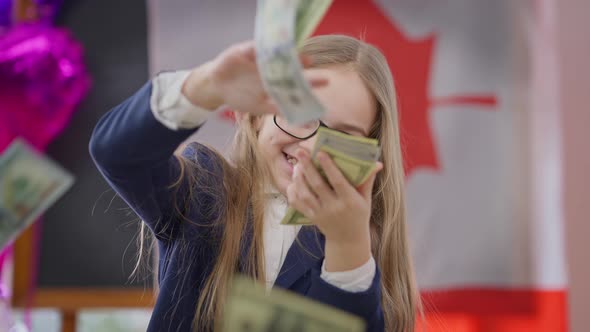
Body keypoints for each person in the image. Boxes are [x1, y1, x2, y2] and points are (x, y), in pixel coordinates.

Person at [89, 34, 419, 332]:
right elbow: (117, 154)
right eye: (302, 116)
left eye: (344, 135)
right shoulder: (204, 191)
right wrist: (204, 86)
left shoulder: (363, 251)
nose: (310, 147)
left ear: (370, 155)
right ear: (256, 114)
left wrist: (348, 247)